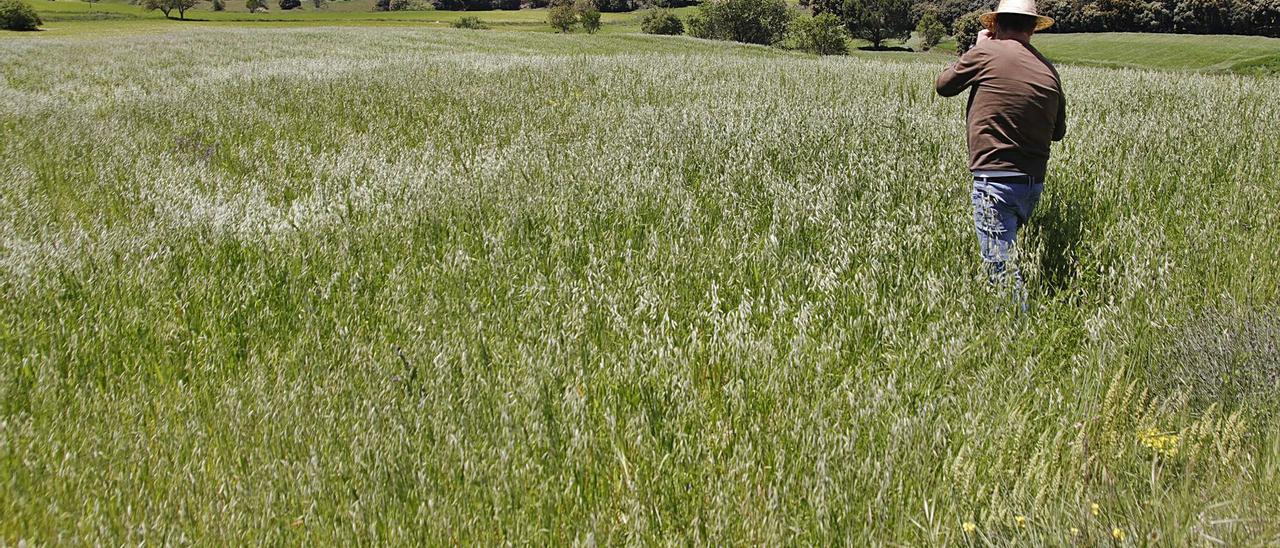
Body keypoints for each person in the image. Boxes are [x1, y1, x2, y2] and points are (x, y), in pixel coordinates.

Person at [935, 0, 1066, 309]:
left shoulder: (985, 53)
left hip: (995, 180)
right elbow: (1058, 133)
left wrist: (976, 49)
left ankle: (1017, 341)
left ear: (994, 25)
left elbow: (944, 85)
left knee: (1001, 270)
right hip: (1032, 184)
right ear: (1033, 28)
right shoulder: (1049, 69)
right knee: (1006, 258)